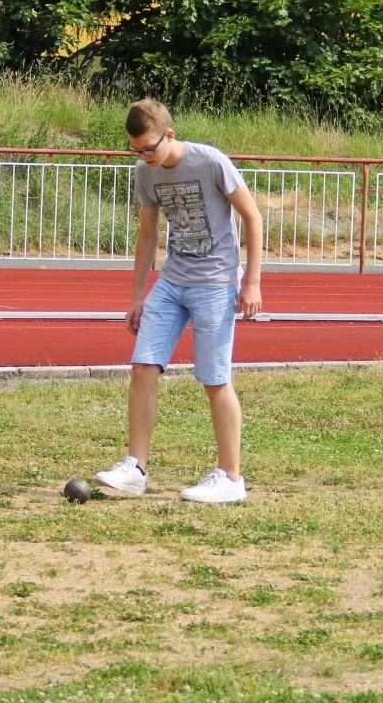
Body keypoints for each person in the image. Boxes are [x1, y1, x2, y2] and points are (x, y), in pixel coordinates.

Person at [94, 99, 264, 505]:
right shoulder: (145, 172)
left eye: (148, 148)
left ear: (169, 135)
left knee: (214, 378)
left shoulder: (211, 162)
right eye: (136, 150)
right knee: (143, 364)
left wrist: (252, 282)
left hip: (216, 283)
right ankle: (135, 468)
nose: (144, 157)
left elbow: (252, 217)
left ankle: (231, 477)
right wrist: (137, 295)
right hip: (172, 282)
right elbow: (147, 235)